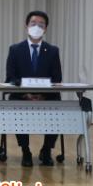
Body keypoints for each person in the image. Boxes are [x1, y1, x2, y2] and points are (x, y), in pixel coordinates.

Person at [5, 10, 62, 167]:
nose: (37, 27)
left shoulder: (53, 51)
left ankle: (46, 150)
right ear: (26, 26)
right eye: (33, 23)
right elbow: (11, 78)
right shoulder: (15, 49)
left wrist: (42, 95)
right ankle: (26, 151)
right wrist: (27, 93)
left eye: (41, 25)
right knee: (17, 109)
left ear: (46, 29)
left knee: (57, 108)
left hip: (47, 97)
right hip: (22, 96)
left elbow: (56, 79)